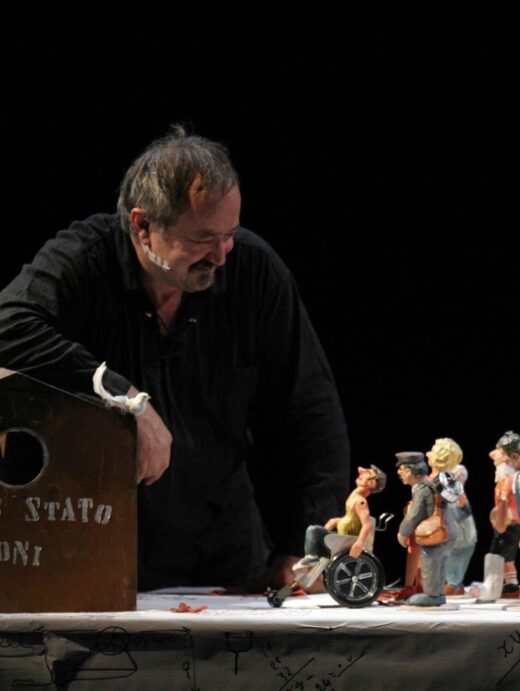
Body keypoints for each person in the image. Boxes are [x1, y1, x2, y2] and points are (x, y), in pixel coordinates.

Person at [0, 126, 350, 591]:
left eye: (229, 234)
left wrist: (308, 548)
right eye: (204, 238)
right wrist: (124, 399)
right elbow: (8, 326)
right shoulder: (84, 258)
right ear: (143, 226)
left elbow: (310, 412)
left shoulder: (253, 270)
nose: (222, 255)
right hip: (101, 543)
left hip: (224, 550)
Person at [396, 451, 458, 606]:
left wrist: (403, 533)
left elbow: (414, 515)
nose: (399, 473)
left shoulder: (422, 489)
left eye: (401, 469)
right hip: (448, 531)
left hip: (435, 534)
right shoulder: (431, 485)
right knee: (440, 563)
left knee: (430, 561)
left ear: (410, 470)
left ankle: (432, 595)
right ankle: (438, 594)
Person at [296, 465, 387, 567]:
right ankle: (316, 557)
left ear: (372, 483)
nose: (361, 472)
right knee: (318, 532)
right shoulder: (354, 497)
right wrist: (338, 521)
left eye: (367, 473)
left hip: (347, 538)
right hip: (343, 534)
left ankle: (312, 557)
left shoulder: (360, 502)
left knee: (313, 530)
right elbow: (351, 517)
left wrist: (359, 543)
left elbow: (367, 525)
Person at [488, 430, 520, 598]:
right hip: (508, 523)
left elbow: (504, 504)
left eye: (499, 452)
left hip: (510, 524)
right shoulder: (508, 479)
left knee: (505, 555)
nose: (492, 455)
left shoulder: (510, 480)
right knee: (502, 554)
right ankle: (506, 584)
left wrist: (500, 523)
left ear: (512, 456)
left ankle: (511, 585)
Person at [444, 464, 477, 595]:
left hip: (462, 536)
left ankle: (454, 585)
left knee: (455, 559)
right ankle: (454, 584)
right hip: (458, 535)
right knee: (451, 560)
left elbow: (464, 510)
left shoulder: (458, 492)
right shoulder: (450, 492)